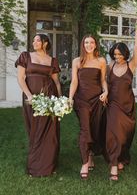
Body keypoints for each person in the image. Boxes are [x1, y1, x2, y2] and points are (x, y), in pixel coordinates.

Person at [15, 34, 62, 177]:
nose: (34, 42)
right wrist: (29, 95)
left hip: (49, 97)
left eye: (38, 40)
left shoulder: (52, 61)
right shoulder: (25, 56)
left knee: (49, 130)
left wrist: (59, 101)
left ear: (45, 43)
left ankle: (48, 164)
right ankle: (35, 166)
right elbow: (20, 78)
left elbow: (56, 82)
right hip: (32, 98)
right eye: (34, 40)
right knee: (35, 130)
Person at [106, 19, 137, 181]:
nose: (117, 57)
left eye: (120, 54)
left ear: (125, 54)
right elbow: (101, 81)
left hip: (128, 105)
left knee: (126, 135)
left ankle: (121, 157)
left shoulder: (131, 65)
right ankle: (114, 164)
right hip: (113, 104)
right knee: (114, 133)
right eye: (115, 54)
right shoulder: (110, 66)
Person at [69, 35, 108, 179]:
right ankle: (85, 162)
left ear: (96, 45)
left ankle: (91, 154)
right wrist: (70, 98)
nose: (89, 45)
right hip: (82, 100)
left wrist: (106, 91)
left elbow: (103, 80)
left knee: (95, 128)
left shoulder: (101, 61)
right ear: (82, 45)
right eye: (86, 42)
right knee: (85, 129)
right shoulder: (77, 61)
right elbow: (74, 81)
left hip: (97, 99)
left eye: (92, 42)